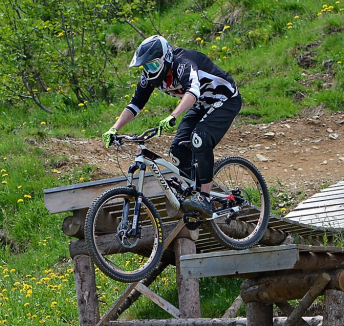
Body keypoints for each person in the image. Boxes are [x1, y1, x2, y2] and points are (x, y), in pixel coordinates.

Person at [103, 34, 241, 217]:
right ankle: (194, 194)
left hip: (225, 99)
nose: (149, 70)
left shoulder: (183, 63)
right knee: (177, 149)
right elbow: (135, 103)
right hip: (201, 104)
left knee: (200, 138)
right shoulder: (148, 77)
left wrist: (173, 116)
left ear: (166, 58)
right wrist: (114, 128)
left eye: (152, 65)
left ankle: (205, 197)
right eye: (146, 66)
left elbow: (192, 91)